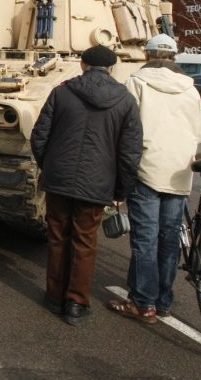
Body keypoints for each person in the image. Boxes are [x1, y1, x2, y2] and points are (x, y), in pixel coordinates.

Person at [30, 45, 142, 326]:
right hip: (98, 182)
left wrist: (50, 165)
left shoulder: (62, 91)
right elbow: (130, 152)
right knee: (85, 241)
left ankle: (54, 297)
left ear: (82, 64)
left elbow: (39, 136)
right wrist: (120, 190)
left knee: (57, 236)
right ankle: (77, 303)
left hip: (59, 178)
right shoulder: (125, 101)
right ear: (112, 68)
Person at [107, 35, 201, 323]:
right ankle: (163, 300)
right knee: (169, 239)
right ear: (174, 57)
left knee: (145, 239)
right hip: (179, 172)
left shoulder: (136, 83)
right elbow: (200, 131)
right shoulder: (190, 89)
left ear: (147, 55)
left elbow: (124, 130)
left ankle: (142, 302)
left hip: (147, 168)